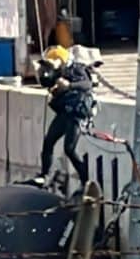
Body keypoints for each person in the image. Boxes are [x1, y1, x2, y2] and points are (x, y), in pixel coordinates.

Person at [37, 45, 96, 190]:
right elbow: (47, 82)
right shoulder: (58, 73)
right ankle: (44, 174)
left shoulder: (77, 68)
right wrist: (43, 74)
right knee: (48, 141)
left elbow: (87, 84)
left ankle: (85, 181)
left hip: (76, 113)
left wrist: (69, 85)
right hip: (65, 112)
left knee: (69, 148)